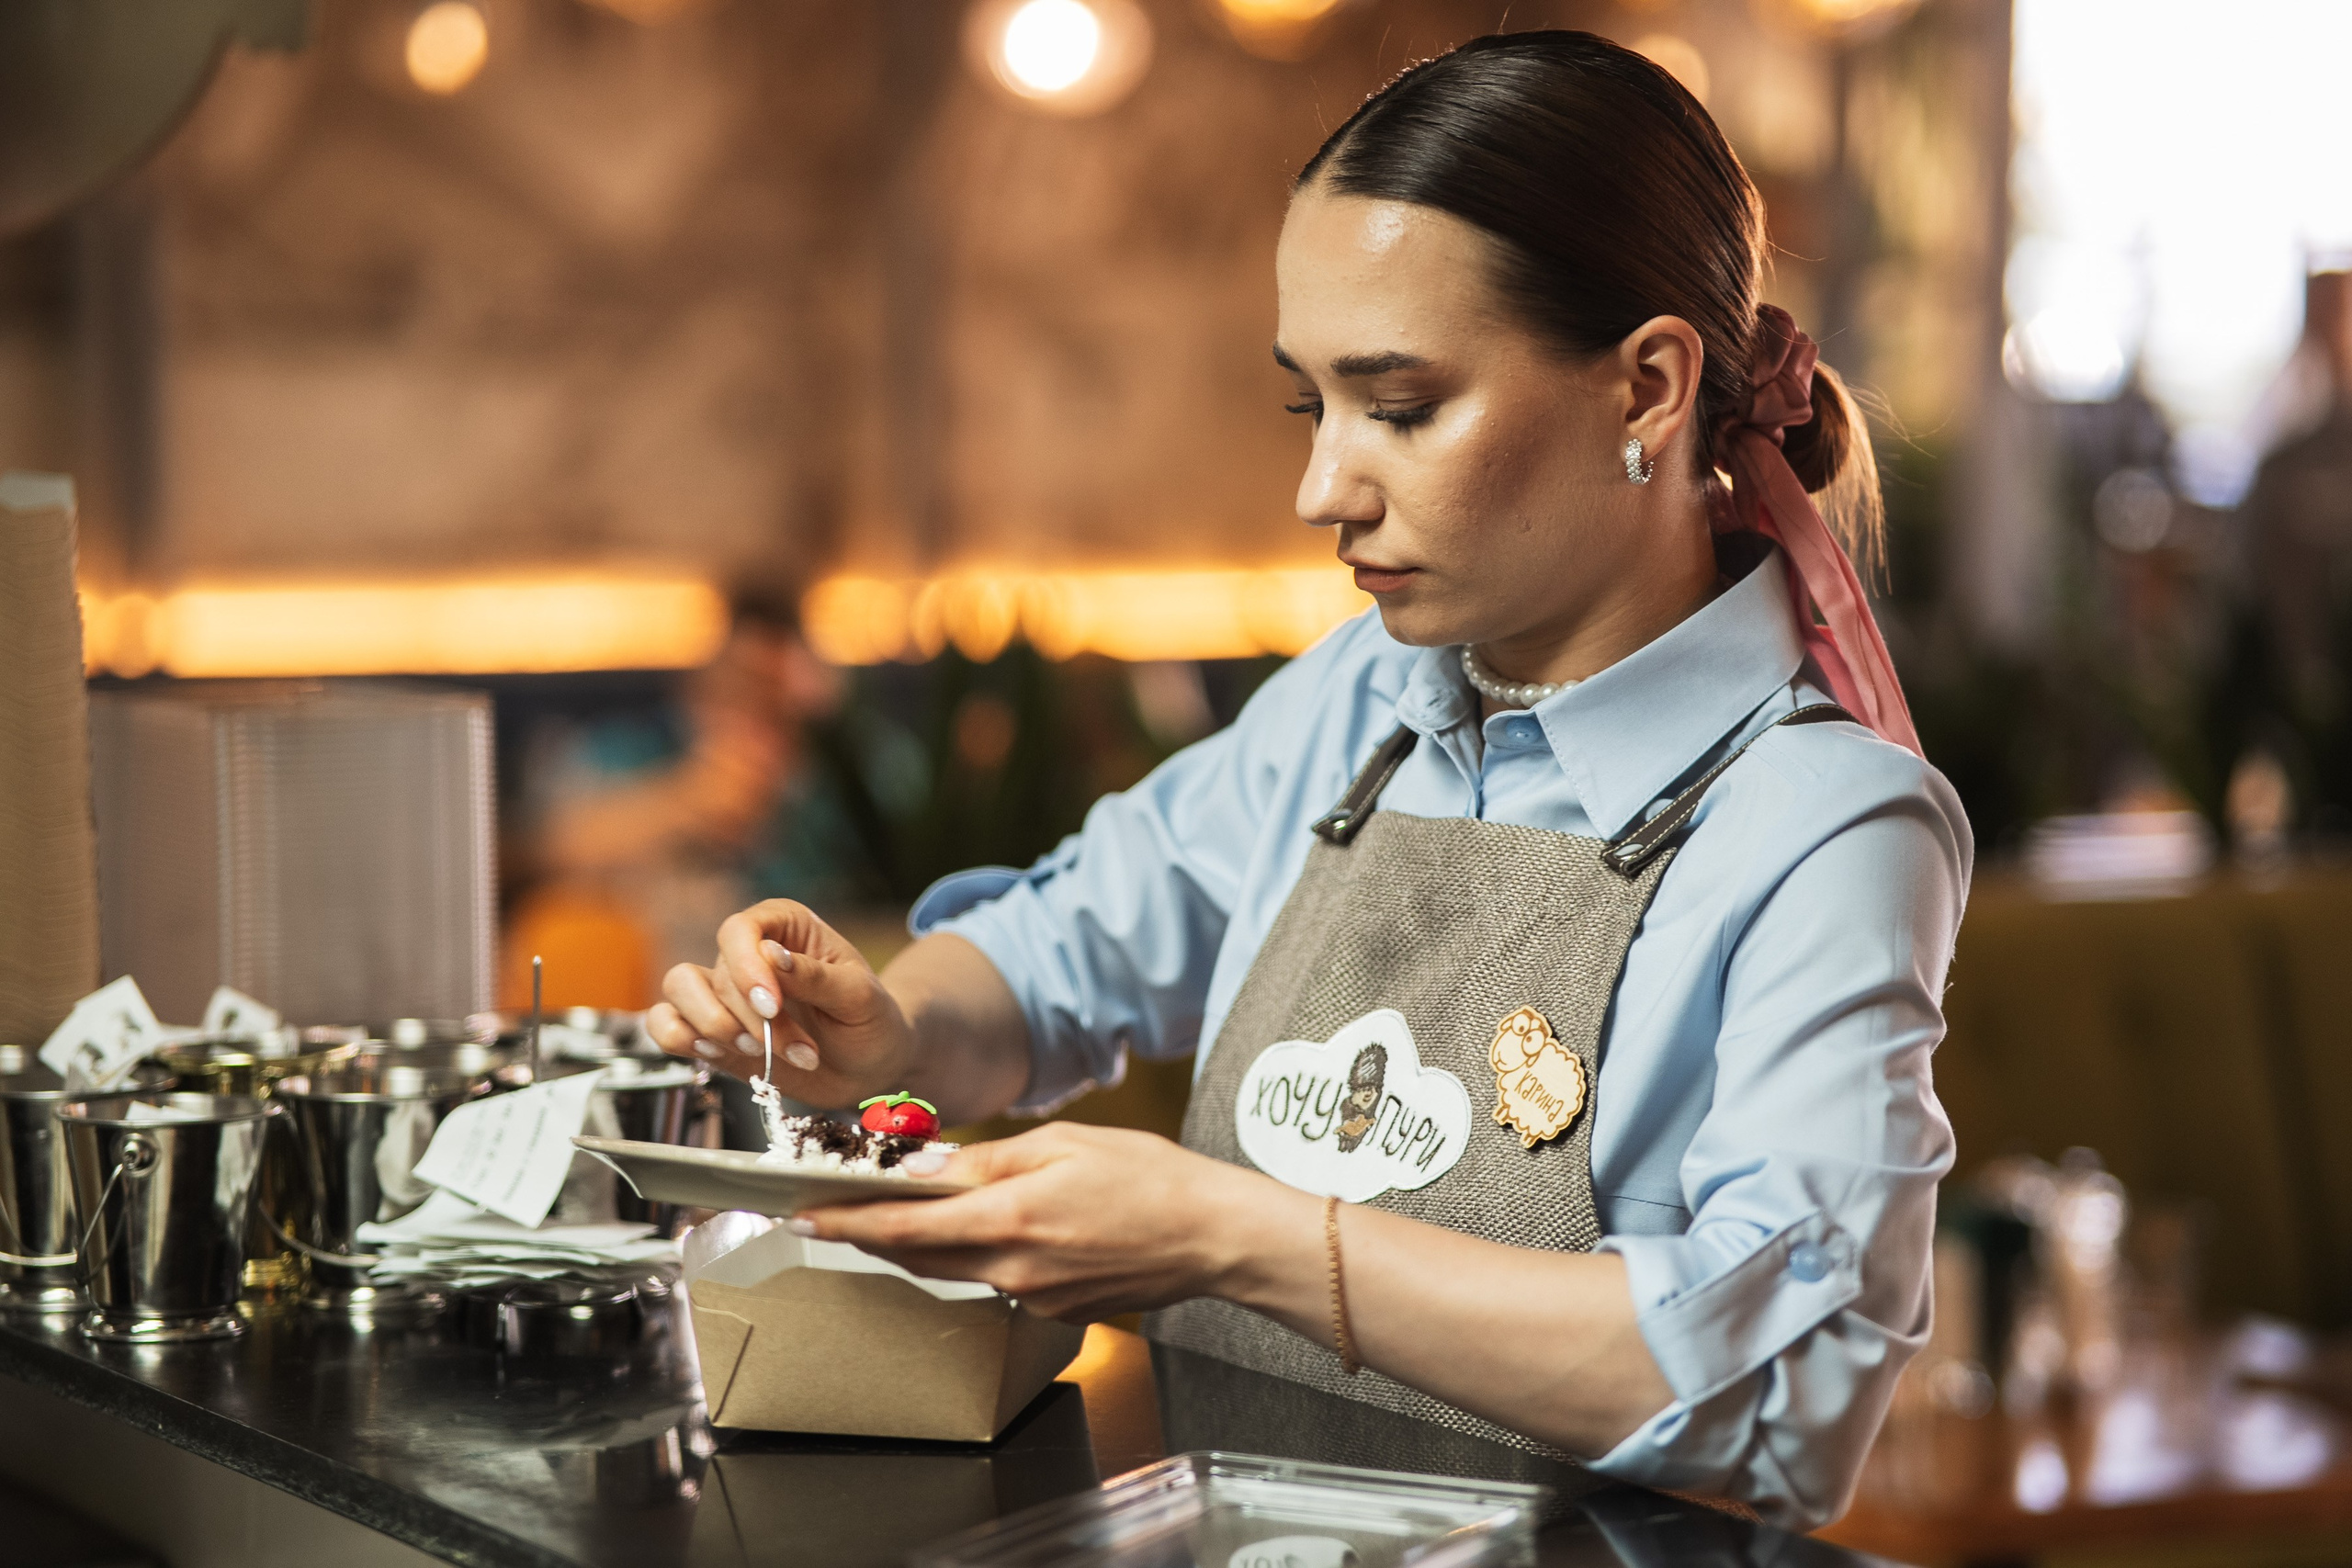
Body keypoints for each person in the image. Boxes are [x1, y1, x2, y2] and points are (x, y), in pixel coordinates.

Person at [647, 31, 1969, 1528]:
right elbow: (1065, 946)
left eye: (1399, 408)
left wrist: (1237, 1236)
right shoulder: (1362, 698)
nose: (1322, 487)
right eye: (1311, 405)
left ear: (1648, 390)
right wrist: (885, 1027)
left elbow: (1786, 1398)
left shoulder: (1826, 826)